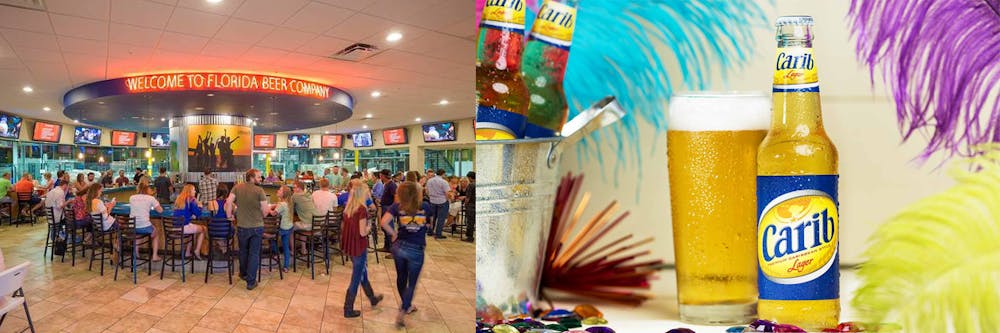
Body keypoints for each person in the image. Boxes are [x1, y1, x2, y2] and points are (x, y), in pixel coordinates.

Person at [380, 181, 430, 328]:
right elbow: (429, 225)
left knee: (401, 277)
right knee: (412, 283)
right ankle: (404, 309)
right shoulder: (425, 206)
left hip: (399, 247)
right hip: (416, 248)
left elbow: (383, 222)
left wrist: (394, 233)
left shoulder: (397, 206)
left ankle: (406, 305)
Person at [341, 180, 384, 318]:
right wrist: (369, 227)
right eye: (367, 192)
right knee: (356, 277)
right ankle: (348, 308)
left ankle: (372, 298)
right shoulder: (362, 210)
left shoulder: (349, 208)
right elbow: (362, 232)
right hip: (359, 245)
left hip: (351, 245)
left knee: (362, 273)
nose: (369, 194)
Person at [227, 169, 271, 290]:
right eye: (258, 177)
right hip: (256, 227)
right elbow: (266, 211)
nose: (260, 179)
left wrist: (229, 215)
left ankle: (243, 274)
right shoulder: (259, 190)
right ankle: (251, 282)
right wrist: (264, 213)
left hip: (242, 226)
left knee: (243, 251)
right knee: (254, 254)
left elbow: (228, 201)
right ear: (251, 177)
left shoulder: (237, 187)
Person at [130, 182, 163, 261]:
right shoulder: (150, 198)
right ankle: (154, 256)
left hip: (132, 227)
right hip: (144, 226)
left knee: (137, 234)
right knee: (156, 233)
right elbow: (160, 210)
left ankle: (136, 253)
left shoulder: (131, 197)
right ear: (147, 189)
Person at [172, 184, 206, 260]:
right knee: (203, 229)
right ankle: (197, 251)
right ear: (190, 191)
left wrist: (190, 215)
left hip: (174, 228)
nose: (195, 191)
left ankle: (187, 253)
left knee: (193, 230)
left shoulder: (179, 198)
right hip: (184, 227)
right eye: (194, 190)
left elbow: (183, 212)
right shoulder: (191, 199)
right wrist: (200, 206)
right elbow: (198, 214)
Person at [272, 185, 296, 271]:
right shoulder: (289, 203)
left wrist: (267, 209)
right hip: (289, 228)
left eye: (280, 190)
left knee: (271, 239)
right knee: (285, 246)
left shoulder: (281, 204)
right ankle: (286, 266)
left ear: (284, 194)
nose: (278, 191)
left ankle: (276, 254)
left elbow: (273, 213)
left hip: (282, 229)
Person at [206, 184, 232, 255]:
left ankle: (222, 246)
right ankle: (225, 247)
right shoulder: (229, 203)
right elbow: (235, 211)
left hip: (213, 231)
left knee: (212, 230)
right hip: (226, 231)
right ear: (227, 192)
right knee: (234, 230)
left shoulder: (211, 203)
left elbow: (209, 214)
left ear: (217, 192)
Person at [425, 169, 450, 239]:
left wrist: (431, 197)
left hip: (432, 200)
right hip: (442, 201)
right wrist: (447, 199)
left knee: (432, 217)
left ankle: (430, 231)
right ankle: (438, 234)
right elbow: (447, 193)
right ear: (443, 174)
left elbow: (427, 191)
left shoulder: (429, 181)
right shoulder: (444, 182)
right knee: (441, 218)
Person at [378, 169, 397, 252]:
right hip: (385, 206)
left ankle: (392, 249)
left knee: (389, 228)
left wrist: (393, 208)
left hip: (388, 208)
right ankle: (387, 246)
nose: (380, 177)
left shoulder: (392, 185)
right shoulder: (387, 184)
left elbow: (396, 197)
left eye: (381, 175)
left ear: (383, 176)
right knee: (385, 228)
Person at [464, 171, 476, 242]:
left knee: (470, 222)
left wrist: (465, 204)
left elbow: (467, 197)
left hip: (471, 205)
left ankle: (470, 237)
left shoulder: (471, 185)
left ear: (470, 178)